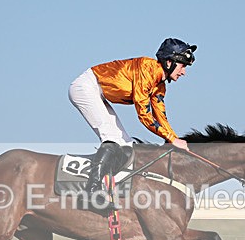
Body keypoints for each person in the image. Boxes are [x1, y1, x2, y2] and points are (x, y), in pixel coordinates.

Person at [68, 38, 196, 196]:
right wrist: (171, 138)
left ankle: (109, 187)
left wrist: (174, 139)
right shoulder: (147, 70)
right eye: (183, 66)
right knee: (112, 139)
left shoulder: (160, 85)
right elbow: (144, 115)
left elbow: (161, 117)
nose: (184, 72)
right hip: (85, 87)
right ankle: (91, 191)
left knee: (126, 145)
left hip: (97, 92)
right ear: (169, 62)